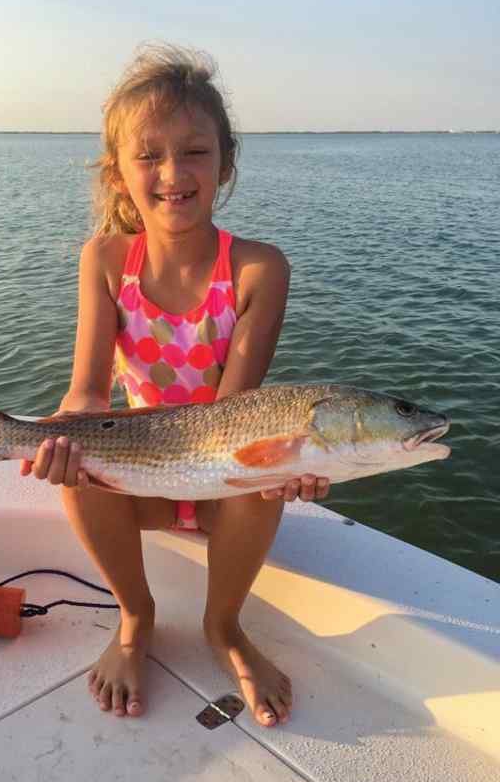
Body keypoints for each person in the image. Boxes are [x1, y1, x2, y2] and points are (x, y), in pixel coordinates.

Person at [20, 44, 330, 727]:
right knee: (79, 471)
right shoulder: (105, 259)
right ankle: (135, 617)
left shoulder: (258, 270)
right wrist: (58, 434)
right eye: (149, 155)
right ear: (118, 171)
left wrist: (297, 462)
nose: (173, 173)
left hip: (223, 489)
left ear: (225, 162)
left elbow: (235, 418)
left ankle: (224, 627)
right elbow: (87, 393)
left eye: (195, 152)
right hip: (142, 486)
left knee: (264, 475)